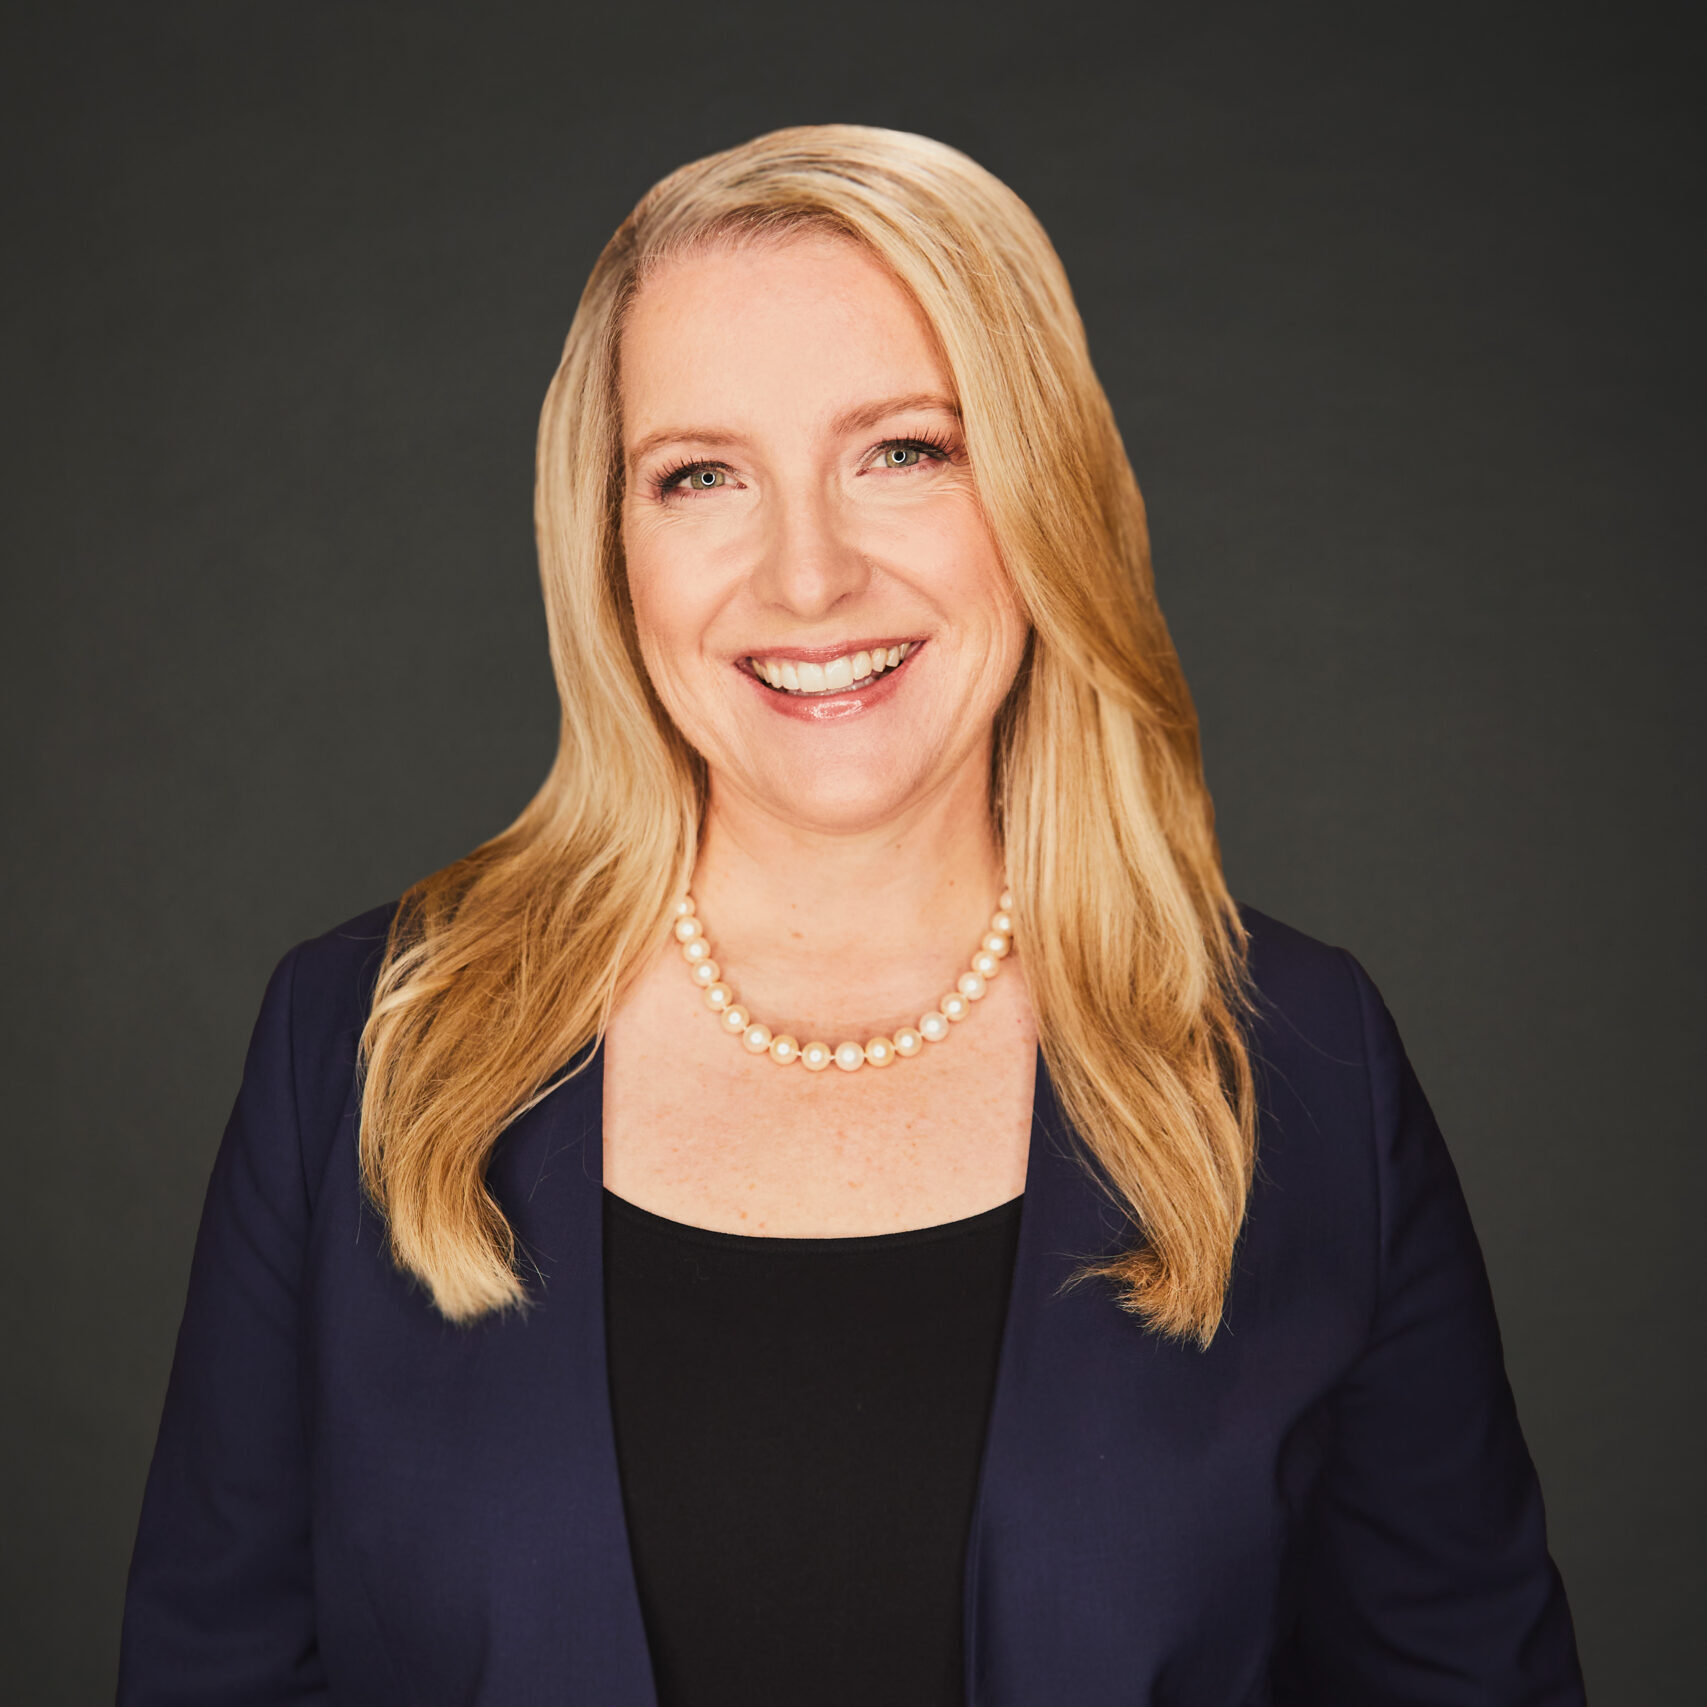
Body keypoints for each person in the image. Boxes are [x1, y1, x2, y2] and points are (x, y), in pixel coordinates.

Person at [118, 125, 1585, 1706]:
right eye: (701, 477)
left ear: (1042, 491)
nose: (807, 578)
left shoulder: (1303, 1066)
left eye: (904, 451)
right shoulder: (357, 1046)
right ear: (609, 551)